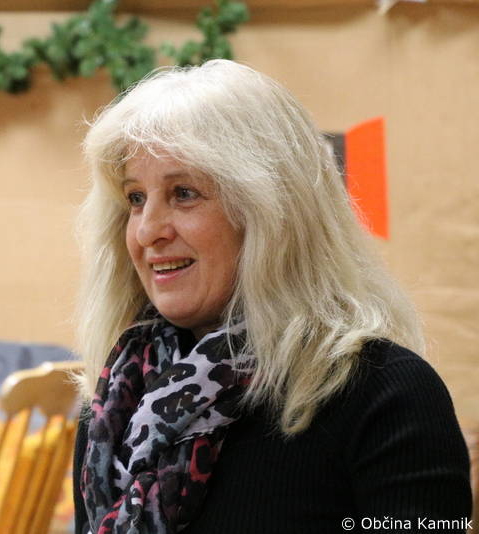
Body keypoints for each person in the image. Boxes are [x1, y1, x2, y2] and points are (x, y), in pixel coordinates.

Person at [71, 60, 472, 534]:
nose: (147, 231)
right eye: (136, 198)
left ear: (272, 213)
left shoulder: (386, 395)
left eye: (184, 193)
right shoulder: (119, 400)